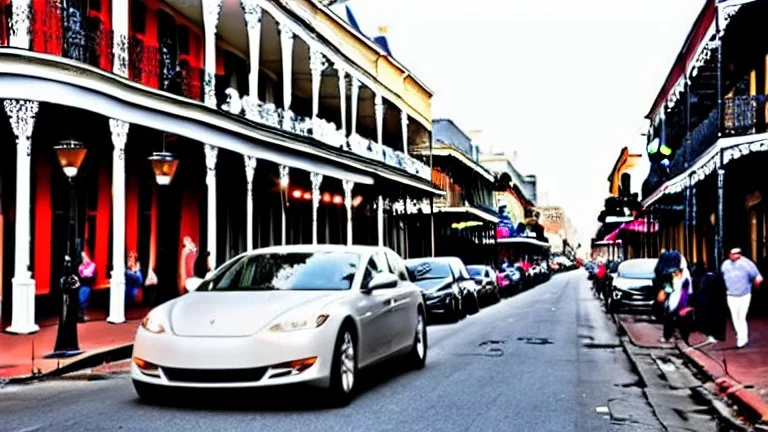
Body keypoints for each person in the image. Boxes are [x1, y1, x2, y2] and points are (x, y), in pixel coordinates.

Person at [721, 248, 763, 348]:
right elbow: (722, 277)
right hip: (731, 295)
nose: (734, 255)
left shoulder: (747, 264)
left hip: (744, 294)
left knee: (741, 316)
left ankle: (742, 337)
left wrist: (756, 283)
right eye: (732, 254)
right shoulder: (725, 264)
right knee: (735, 318)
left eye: (736, 254)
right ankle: (740, 336)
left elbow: (758, 277)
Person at [77, 250, 96, 322]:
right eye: (82, 258)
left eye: (85, 257)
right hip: (82, 285)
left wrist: (84, 269)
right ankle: (80, 316)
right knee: (81, 300)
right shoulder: (81, 267)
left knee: (84, 301)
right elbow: (82, 274)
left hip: (87, 285)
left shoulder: (92, 265)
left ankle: (82, 316)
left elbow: (87, 274)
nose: (84, 259)